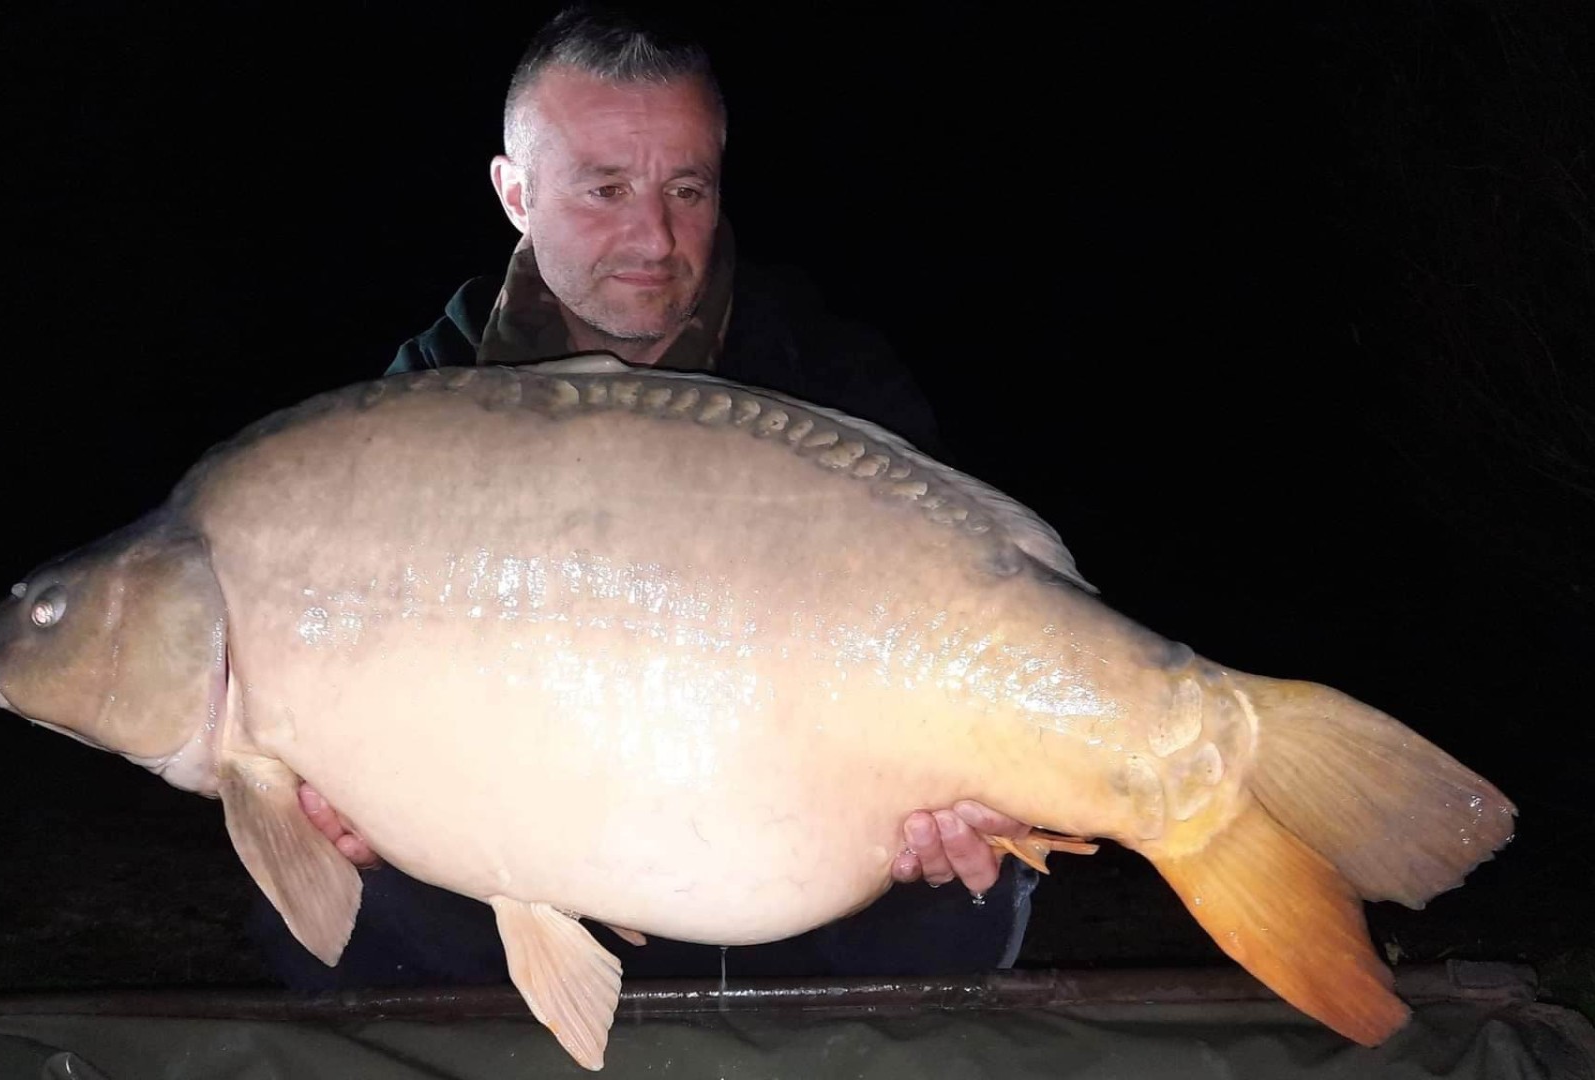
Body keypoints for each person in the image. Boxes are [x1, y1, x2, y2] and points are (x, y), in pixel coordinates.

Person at [249, 3, 1042, 990]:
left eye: (687, 188)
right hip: (533, 854)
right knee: (320, 881)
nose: (654, 236)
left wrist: (967, 809)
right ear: (514, 193)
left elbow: (974, 610)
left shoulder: (827, 375)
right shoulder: (414, 407)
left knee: (970, 885)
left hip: (794, 847)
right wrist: (368, 807)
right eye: (605, 188)